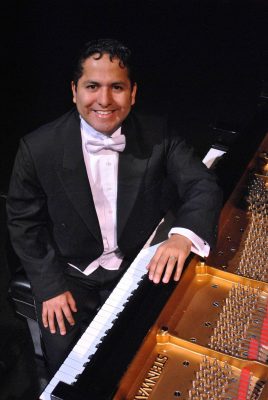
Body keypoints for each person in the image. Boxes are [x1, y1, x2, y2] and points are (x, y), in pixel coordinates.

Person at [7, 38, 222, 376]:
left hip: (138, 263)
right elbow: (23, 222)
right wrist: (49, 288)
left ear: (132, 93)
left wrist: (182, 237)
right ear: (74, 90)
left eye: (116, 87)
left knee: (158, 349)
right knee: (66, 361)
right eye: (92, 86)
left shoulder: (158, 133)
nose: (104, 100)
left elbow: (202, 184)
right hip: (70, 272)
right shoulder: (38, 148)